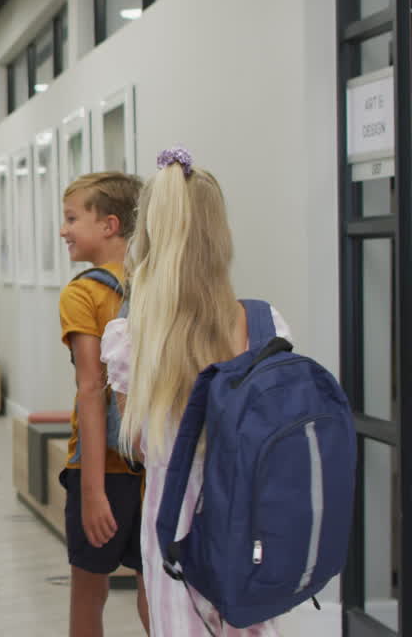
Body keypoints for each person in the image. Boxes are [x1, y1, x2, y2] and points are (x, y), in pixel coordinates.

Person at [106, 149, 290, 635]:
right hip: (250, 524)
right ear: (219, 233)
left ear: (147, 235)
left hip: (174, 529)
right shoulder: (265, 325)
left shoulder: (132, 336)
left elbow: (142, 446)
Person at [56, 172, 148, 637]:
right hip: (156, 461)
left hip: (103, 468)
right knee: (157, 588)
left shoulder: (83, 292)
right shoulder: (157, 285)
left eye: (73, 218)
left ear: (110, 225)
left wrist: (92, 492)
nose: (63, 229)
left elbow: (92, 389)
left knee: (89, 593)